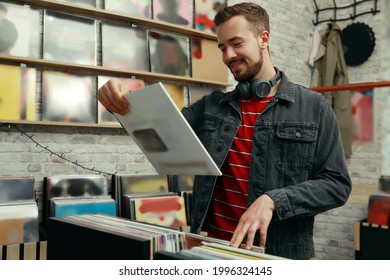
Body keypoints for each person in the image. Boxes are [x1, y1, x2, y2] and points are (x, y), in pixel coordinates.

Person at [97, 2, 352, 260]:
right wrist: (121, 100)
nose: (228, 55)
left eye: (236, 43)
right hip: (212, 251)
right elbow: (159, 130)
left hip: (277, 256)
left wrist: (273, 200)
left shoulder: (314, 107)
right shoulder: (211, 107)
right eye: (222, 47)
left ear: (264, 38)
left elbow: (336, 185)